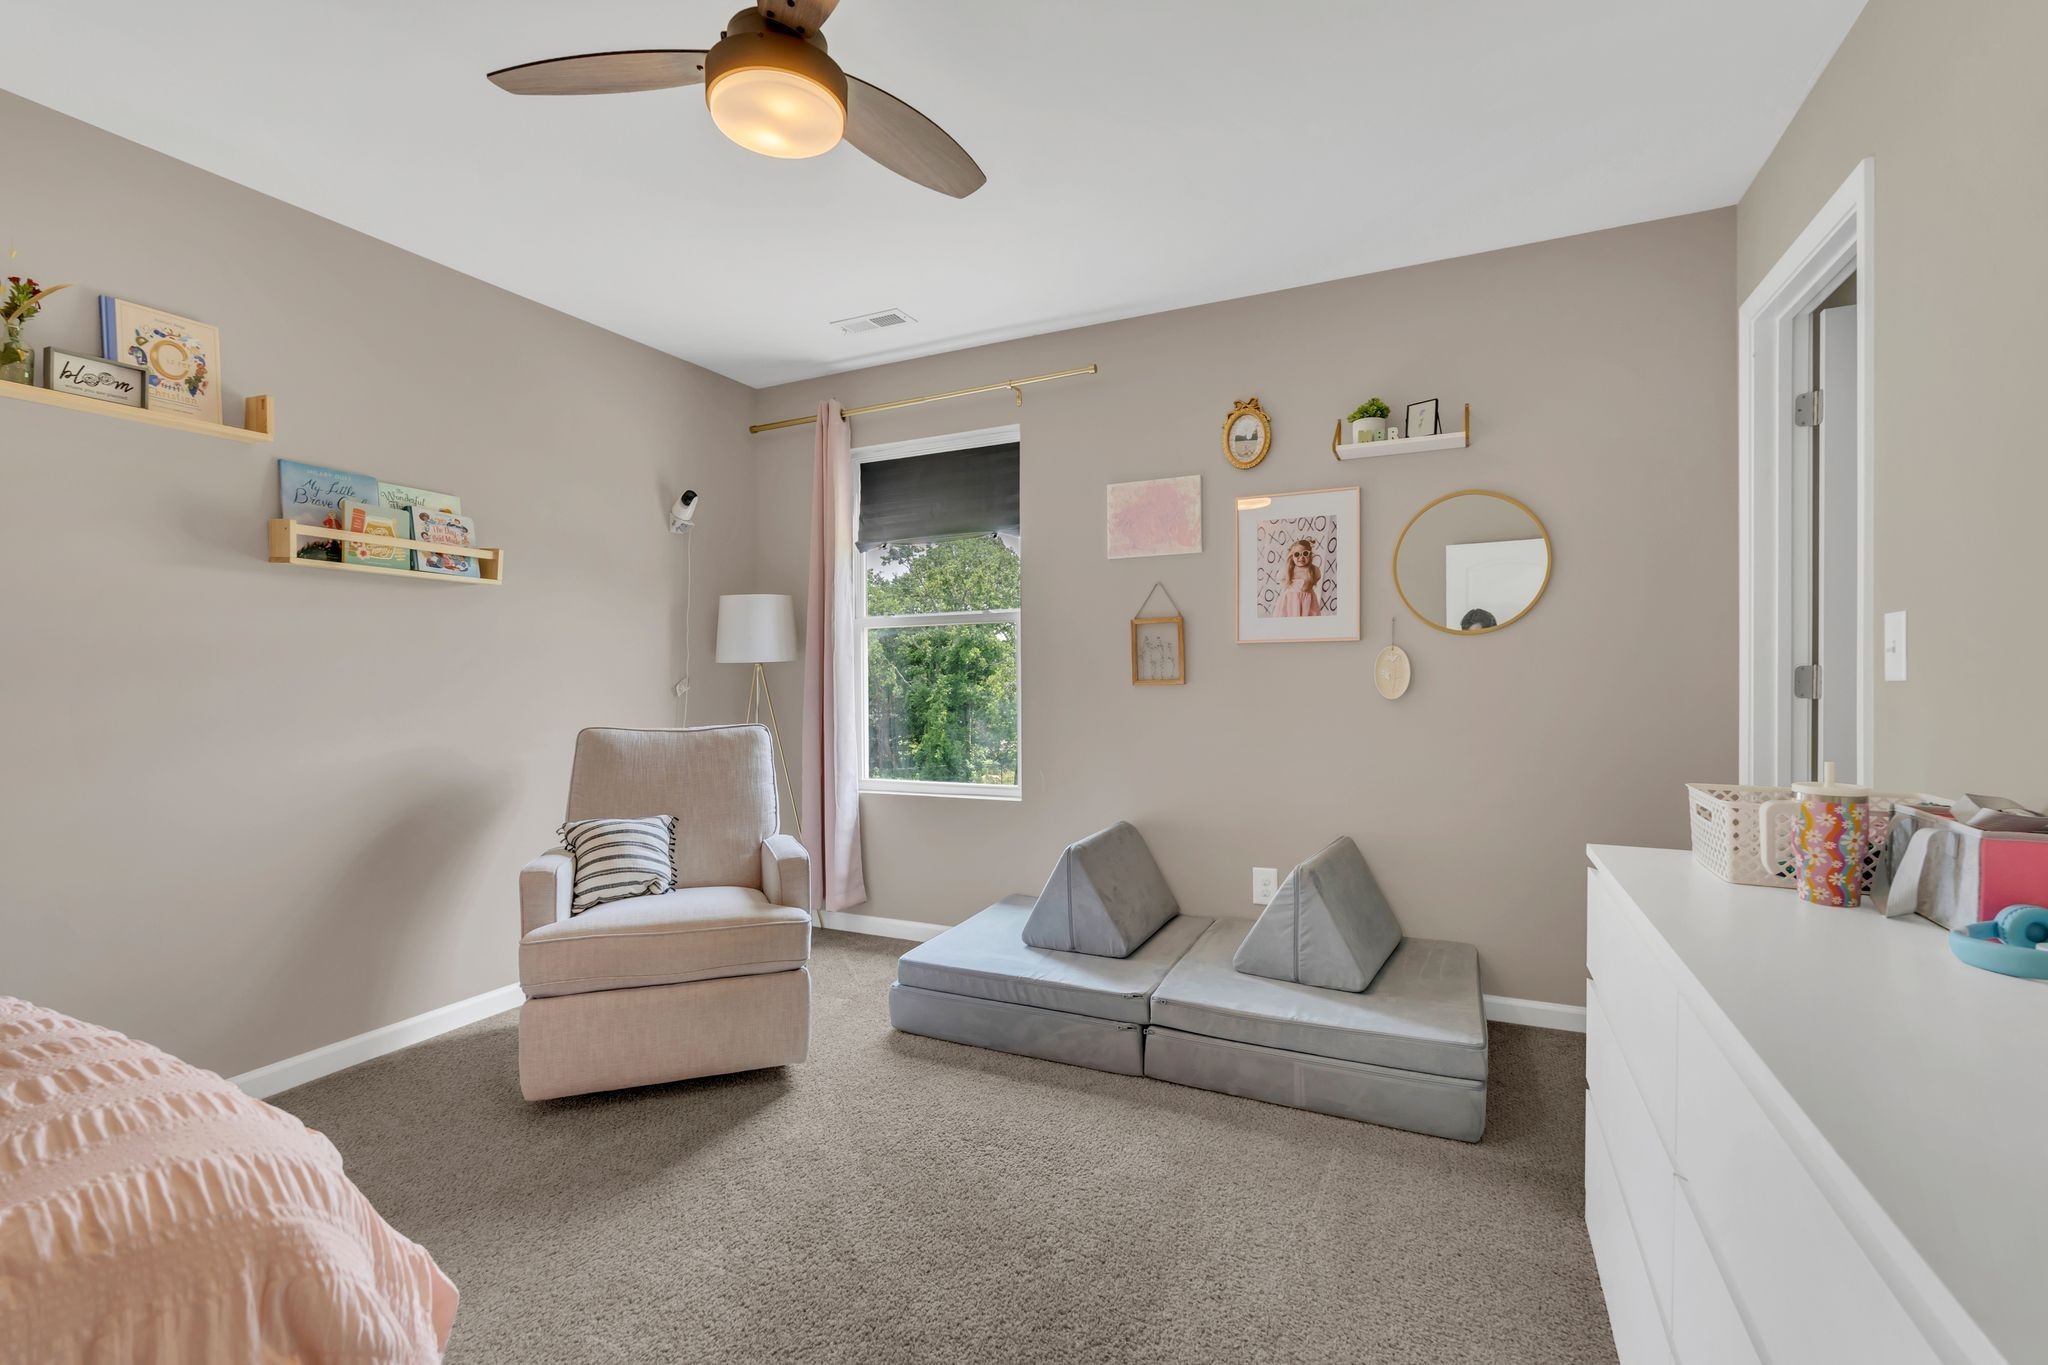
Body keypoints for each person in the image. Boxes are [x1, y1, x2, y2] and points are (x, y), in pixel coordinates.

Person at [1277, 538, 1320, 616]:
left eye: (1305, 553)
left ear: (1310, 555)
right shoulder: (1288, 570)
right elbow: (1282, 580)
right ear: (1292, 557)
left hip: (1307, 602)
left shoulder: (1314, 570)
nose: (1301, 557)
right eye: (1297, 554)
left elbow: (1317, 578)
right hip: (1291, 601)